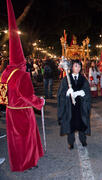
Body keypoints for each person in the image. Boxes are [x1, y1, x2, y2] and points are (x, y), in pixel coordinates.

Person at [1, 0, 45, 171]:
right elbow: (28, 95)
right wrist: (39, 102)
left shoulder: (5, 73)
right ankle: (28, 162)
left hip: (11, 112)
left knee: (15, 140)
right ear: (21, 59)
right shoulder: (22, 75)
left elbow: (3, 94)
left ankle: (18, 163)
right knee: (26, 138)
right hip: (23, 112)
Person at [57, 60, 91, 149]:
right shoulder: (66, 80)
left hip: (80, 106)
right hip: (70, 107)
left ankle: (83, 140)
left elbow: (87, 91)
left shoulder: (83, 79)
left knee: (82, 123)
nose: (78, 68)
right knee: (70, 125)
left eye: (79, 66)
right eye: (76, 66)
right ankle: (70, 142)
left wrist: (81, 92)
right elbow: (61, 93)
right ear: (72, 67)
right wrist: (67, 93)